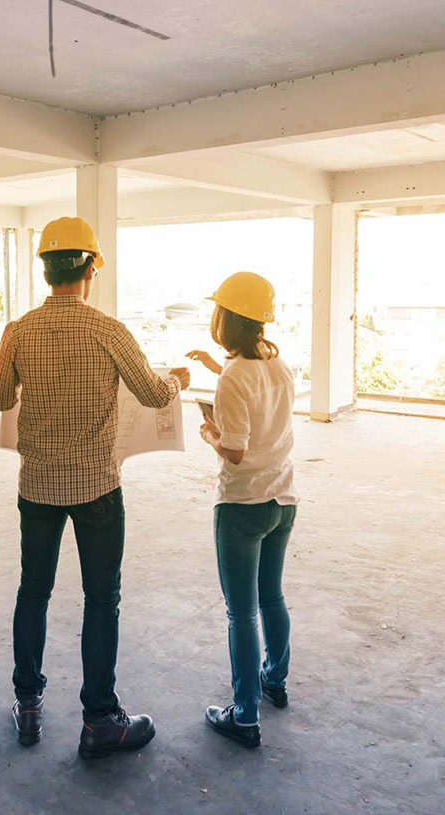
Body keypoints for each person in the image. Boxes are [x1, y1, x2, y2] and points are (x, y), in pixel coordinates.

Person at [0, 217, 191, 758]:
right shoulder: (109, 330)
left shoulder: (18, 331)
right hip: (97, 486)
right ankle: (100, 719)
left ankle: (29, 705)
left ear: (45, 270)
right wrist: (177, 380)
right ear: (90, 269)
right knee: (102, 599)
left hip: (37, 485)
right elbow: (153, 395)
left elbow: (2, 399)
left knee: (33, 592)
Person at [185, 272, 297, 748]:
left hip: (242, 505)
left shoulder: (235, 376)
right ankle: (275, 680)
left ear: (226, 319)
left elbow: (234, 450)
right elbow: (252, 387)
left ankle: (245, 715)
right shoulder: (279, 366)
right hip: (283, 499)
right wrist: (218, 368)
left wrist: (209, 432)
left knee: (241, 613)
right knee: (271, 597)